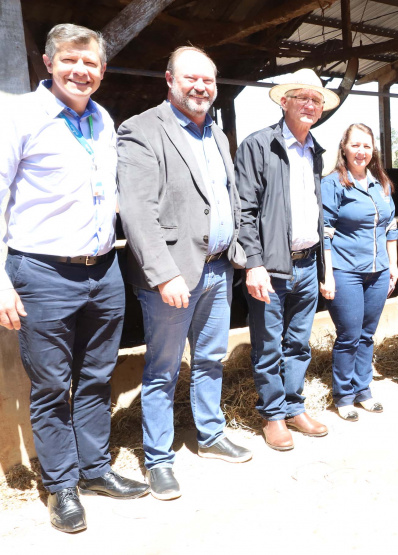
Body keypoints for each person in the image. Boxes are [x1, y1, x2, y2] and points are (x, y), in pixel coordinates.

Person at [0, 23, 148, 533]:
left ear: (102, 71)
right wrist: (0, 282)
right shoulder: (17, 116)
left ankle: (95, 470)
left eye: (90, 64)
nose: (80, 71)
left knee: (95, 377)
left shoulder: (103, 120)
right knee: (50, 384)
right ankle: (61, 486)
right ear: (48, 62)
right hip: (41, 272)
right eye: (70, 60)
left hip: (102, 269)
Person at [117, 46, 251, 500]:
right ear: (169, 80)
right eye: (191, 78)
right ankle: (158, 458)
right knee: (162, 368)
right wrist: (162, 273)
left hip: (216, 270)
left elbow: (229, 198)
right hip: (172, 277)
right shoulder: (141, 130)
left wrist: (240, 254)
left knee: (211, 359)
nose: (201, 87)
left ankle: (210, 434)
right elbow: (137, 211)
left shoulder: (216, 135)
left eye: (208, 81)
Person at [235, 69, 332, 450]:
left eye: (316, 100)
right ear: (284, 101)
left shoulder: (315, 151)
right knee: (268, 344)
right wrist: (253, 263)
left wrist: (323, 265)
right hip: (271, 266)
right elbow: (245, 209)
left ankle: (294, 406)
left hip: (307, 262)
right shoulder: (259, 145)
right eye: (302, 97)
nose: (309, 105)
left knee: (298, 342)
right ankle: (273, 415)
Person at [321, 124, 398, 421]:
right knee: (349, 334)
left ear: (373, 150)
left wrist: (390, 267)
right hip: (345, 269)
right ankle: (343, 396)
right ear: (344, 148)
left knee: (367, 334)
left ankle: (363, 390)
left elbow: (390, 227)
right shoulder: (334, 184)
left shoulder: (381, 184)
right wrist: (326, 275)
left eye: (367, 146)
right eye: (356, 145)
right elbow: (325, 232)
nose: (361, 151)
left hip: (378, 271)